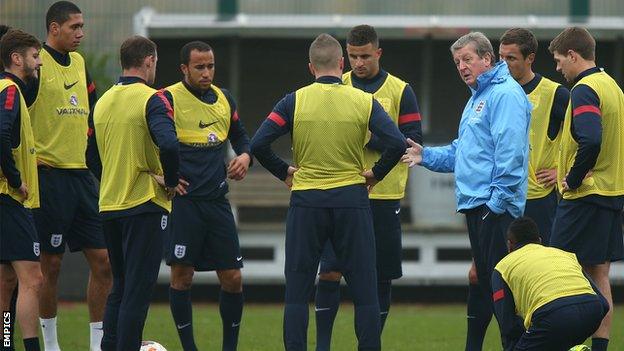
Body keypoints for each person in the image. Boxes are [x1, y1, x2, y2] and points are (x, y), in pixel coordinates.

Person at [250, 33, 406, 351]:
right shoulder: (363, 101)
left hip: (307, 202)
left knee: (297, 289)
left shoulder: (293, 100)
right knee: (365, 291)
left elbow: (258, 144)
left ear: (311, 67)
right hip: (352, 201)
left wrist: (283, 171)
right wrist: (375, 174)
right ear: (342, 63)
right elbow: (398, 143)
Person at [401, 32, 531, 347]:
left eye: (467, 59)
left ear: (488, 58)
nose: (461, 66)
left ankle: (516, 345)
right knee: (487, 282)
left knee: (502, 286)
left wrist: (496, 205)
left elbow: (510, 153)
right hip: (479, 206)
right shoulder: (478, 97)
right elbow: (464, 152)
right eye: (457, 61)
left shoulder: (505, 95)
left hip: (495, 208)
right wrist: (425, 156)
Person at [462, 27, 571, 351]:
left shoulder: (555, 94)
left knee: (533, 280)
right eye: (501, 57)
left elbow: (590, 137)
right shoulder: (490, 93)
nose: (504, 63)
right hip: (498, 200)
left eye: (512, 58)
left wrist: (564, 171)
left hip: (538, 203)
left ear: (531, 58)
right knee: (484, 276)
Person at [314, 24, 422, 349]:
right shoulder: (336, 86)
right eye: (353, 56)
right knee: (330, 271)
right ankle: (322, 345)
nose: (359, 63)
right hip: (342, 191)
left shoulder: (401, 90)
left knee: (380, 276)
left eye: (365, 56)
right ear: (345, 56)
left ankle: (369, 344)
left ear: (378, 53)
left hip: (385, 195)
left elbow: (413, 140)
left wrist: (367, 137)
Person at [24, 2, 112, 350]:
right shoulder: (36, 66)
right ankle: (51, 344)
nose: (81, 33)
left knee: (104, 262)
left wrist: (100, 170)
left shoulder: (80, 63)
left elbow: (91, 118)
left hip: (80, 179)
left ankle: (97, 344)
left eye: (82, 26)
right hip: (48, 180)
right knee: (51, 265)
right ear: (54, 28)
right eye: (74, 27)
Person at [88, 35, 182, 351]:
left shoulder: (102, 102)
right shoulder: (153, 98)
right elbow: (168, 144)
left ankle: (109, 347)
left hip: (109, 205)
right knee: (137, 291)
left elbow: (90, 156)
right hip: (143, 205)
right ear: (149, 61)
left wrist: (114, 177)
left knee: (120, 287)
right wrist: (169, 180)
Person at [161, 41, 250, 351]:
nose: (206, 72)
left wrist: (245, 156)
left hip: (216, 203)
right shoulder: (168, 98)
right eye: (199, 66)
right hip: (184, 205)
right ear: (184, 68)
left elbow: (240, 137)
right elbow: (150, 142)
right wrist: (161, 176)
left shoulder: (225, 99)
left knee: (233, 278)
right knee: (182, 277)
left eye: (210, 65)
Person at [548, 27, 624, 351]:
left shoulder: (584, 89)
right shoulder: (613, 87)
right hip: (612, 192)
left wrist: (573, 179)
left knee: (557, 270)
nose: (557, 68)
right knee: (599, 275)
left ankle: (564, 342)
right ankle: (598, 349)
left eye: (558, 60)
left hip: (585, 195)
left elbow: (591, 138)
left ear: (573, 56)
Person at [492, 217, 609, 351]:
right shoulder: (565, 255)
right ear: (540, 241)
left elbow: (507, 324)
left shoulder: (502, 267)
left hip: (552, 315)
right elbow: (603, 303)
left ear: (510, 245)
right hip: (592, 311)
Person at [0, 28, 44, 351]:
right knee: (33, 280)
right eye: (34, 55)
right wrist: (16, 180)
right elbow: (0, 136)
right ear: (17, 59)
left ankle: (4, 343)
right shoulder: (10, 91)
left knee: (6, 281)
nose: (39, 62)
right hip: (9, 200)